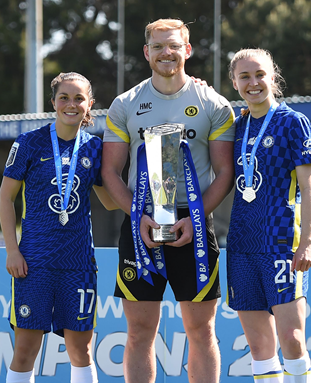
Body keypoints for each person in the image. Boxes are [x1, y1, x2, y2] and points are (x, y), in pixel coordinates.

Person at [101, 18, 236, 383]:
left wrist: (195, 217)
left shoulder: (214, 103)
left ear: (187, 49)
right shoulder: (125, 103)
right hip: (141, 224)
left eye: (174, 45)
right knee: (139, 331)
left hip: (194, 223)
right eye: (158, 46)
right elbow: (110, 171)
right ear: (146, 52)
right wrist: (136, 216)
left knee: (201, 330)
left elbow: (225, 173)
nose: (166, 53)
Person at [0, 72, 117, 383]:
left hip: (78, 264)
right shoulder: (28, 142)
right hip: (33, 264)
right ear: (53, 102)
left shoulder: (94, 147)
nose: (71, 104)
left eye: (78, 98)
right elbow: (5, 197)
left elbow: (109, 201)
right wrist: (12, 250)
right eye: (64, 97)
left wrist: (147, 185)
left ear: (89, 104)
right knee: (25, 350)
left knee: (81, 350)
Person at [227, 48, 311, 383]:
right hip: (242, 246)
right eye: (244, 76)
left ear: (272, 77)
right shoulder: (237, 126)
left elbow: (308, 185)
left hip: (281, 246)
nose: (253, 82)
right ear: (234, 83)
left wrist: (307, 241)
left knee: (291, 339)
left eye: (259, 74)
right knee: (260, 346)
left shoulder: (293, 123)